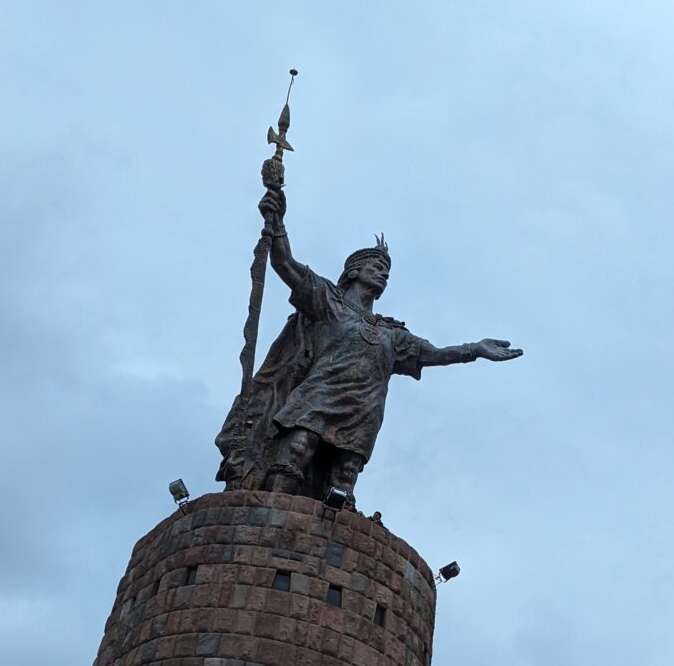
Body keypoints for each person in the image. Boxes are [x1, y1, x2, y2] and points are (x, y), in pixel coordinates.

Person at [215, 187, 522, 503]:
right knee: (298, 447)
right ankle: (272, 509)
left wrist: (475, 349)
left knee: (346, 472)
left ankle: (333, 521)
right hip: (320, 393)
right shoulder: (329, 301)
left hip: (365, 407)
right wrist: (277, 221)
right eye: (377, 268)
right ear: (354, 271)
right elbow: (285, 264)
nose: (384, 274)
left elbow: (434, 354)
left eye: (387, 273)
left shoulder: (391, 332)